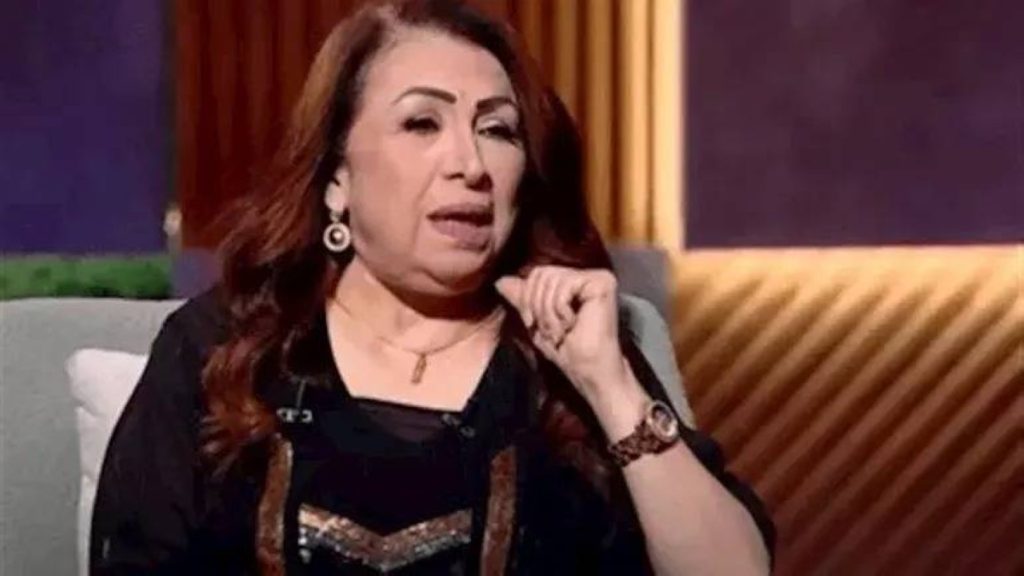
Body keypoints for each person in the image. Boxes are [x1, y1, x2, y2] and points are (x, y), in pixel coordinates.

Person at [90, 0, 774, 574]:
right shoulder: (225, 352)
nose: (471, 164)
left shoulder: (566, 364)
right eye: (422, 123)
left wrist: (611, 387)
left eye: (497, 130)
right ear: (337, 180)